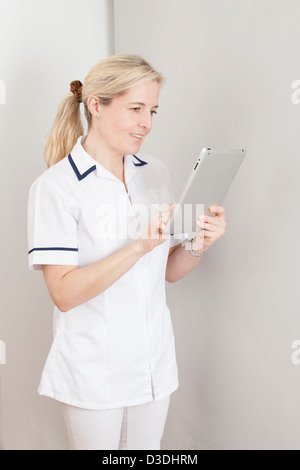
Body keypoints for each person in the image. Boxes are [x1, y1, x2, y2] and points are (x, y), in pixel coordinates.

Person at [27, 54, 226, 450]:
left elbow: (167, 269)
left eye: (152, 111)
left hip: (153, 365)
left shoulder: (155, 171)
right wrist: (138, 246)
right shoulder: (56, 187)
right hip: (94, 371)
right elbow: (64, 294)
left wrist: (199, 244)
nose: (146, 123)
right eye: (135, 109)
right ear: (96, 105)